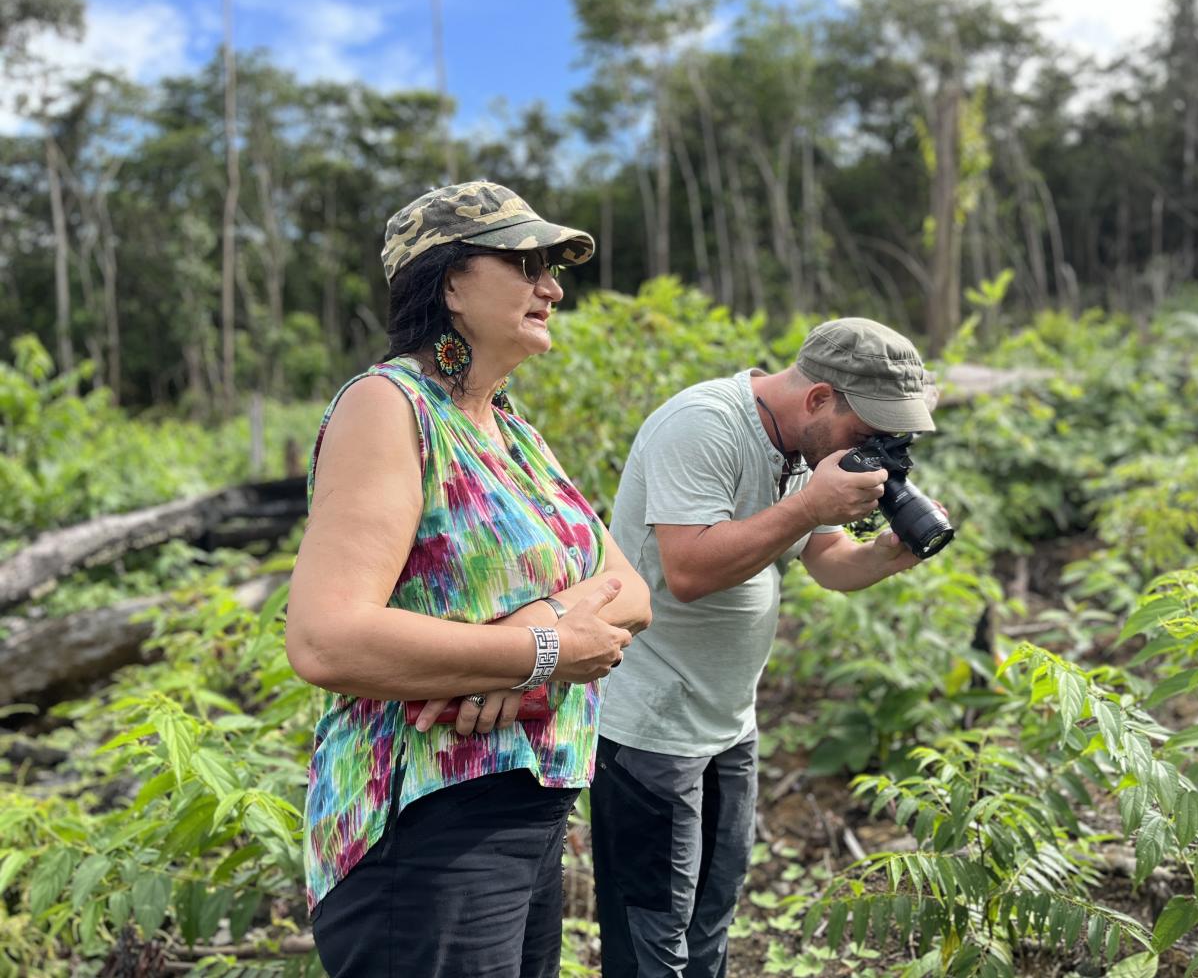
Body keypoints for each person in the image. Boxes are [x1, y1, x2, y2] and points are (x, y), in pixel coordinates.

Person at [284, 181, 652, 978]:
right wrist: (543, 653)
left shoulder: (511, 427)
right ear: (450, 282)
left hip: (529, 812)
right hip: (426, 822)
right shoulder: (390, 407)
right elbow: (324, 636)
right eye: (525, 263)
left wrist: (532, 626)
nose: (552, 286)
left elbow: (633, 590)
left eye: (552, 267)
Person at [591, 318, 942, 978]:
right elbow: (689, 571)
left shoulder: (806, 451)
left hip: (730, 723)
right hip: (652, 728)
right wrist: (810, 505)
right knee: (652, 938)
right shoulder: (702, 426)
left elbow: (829, 562)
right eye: (867, 433)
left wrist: (887, 555)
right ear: (818, 400)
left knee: (710, 925)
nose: (877, 449)